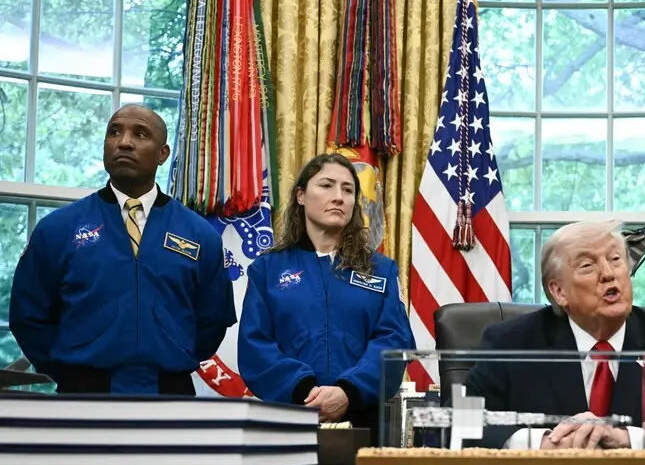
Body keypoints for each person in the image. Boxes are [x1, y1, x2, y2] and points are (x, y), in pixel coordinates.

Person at [10, 104, 236, 394]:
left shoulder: (199, 234)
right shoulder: (58, 229)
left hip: (170, 396)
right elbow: (29, 317)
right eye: (114, 132)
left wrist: (174, 354)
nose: (124, 142)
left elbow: (212, 321)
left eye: (140, 134)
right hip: (81, 396)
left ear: (163, 154)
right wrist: (71, 371)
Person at [462, 220, 645, 458]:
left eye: (615, 259)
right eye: (587, 265)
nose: (608, 273)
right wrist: (543, 444)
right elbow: (456, 424)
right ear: (559, 292)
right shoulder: (511, 344)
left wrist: (628, 439)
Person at [238, 153, 414, 424]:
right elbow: (255, 345)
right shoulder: (267, 270)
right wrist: (303, 389)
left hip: (363, 420)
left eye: (348, 190)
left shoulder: (381, 270)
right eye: (326, 185)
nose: (338, 197)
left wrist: (348, 391)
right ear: (301, 195)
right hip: (288, 418)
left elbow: (394, 340)